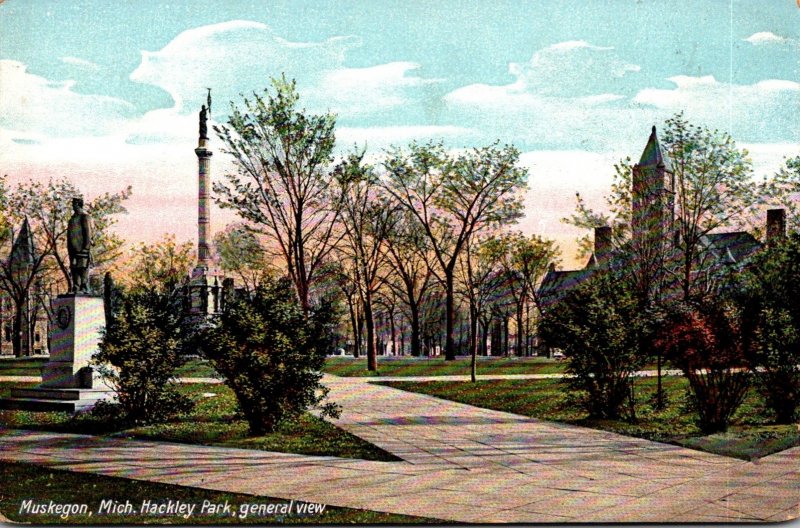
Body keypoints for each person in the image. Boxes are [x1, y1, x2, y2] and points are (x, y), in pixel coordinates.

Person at [67, 197, 93, 293]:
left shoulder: (85, 217)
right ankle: (76, 287)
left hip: (82, 249)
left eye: (74, 204)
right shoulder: (72, 219)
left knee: (83, 268)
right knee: (74, 268)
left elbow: (88, 233)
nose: (73, 206)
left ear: (78, 204)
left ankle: (84, 287)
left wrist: (86, 248)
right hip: (72, 249)